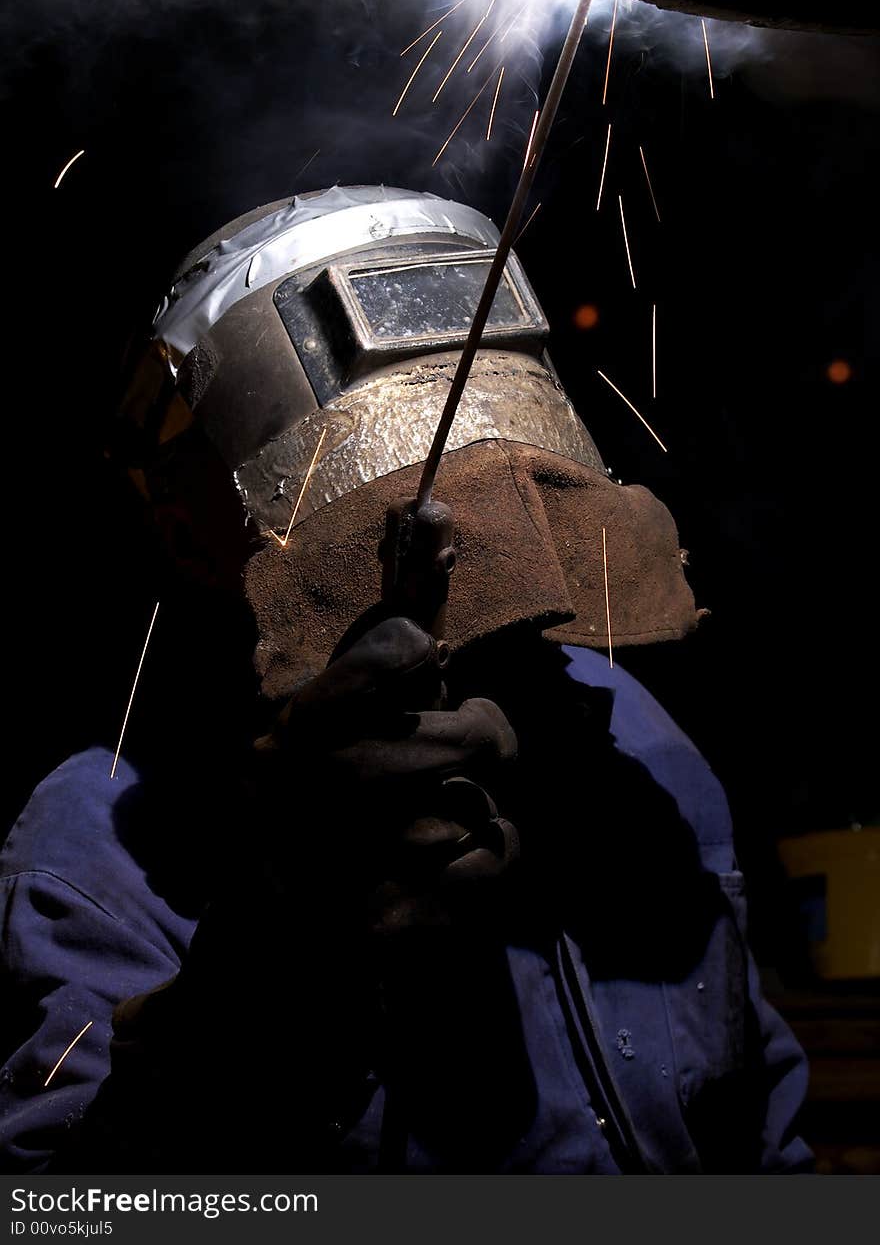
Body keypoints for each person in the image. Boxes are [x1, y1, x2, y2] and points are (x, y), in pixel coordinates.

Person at [0, 188, 812, 1173]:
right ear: (188, 534)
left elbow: (755, 1124)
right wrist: (269, 972)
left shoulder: (633, 734)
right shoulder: (104, 833)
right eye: (356, 541)